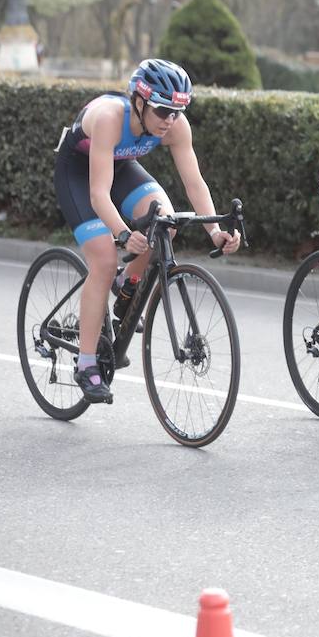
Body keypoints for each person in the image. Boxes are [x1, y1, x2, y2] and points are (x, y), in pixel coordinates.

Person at [54, 59, 242, 404]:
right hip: (79, 176)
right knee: (104, 259)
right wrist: (124, 235)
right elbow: (98, 194)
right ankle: (85, 363)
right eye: (162, 111)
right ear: (139, 102)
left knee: (165, 225)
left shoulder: (175, 126)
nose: (169, 120)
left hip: (121, 167)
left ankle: (129, 284)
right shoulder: (110, 118)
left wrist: (215, 231)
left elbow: (194, 183)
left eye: (176, 111)